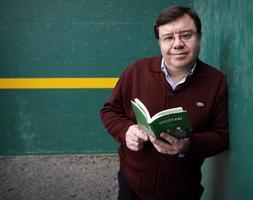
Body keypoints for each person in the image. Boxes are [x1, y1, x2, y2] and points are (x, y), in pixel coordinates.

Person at [100, 5, 228, 200]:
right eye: (168, 37)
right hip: (132, 185)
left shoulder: (216, 81)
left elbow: (221, 135)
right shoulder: (136, 71)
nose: (177, 44)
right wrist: (126, 130)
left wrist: (188, 145)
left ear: (199, 38)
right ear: (159, 42)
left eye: (186, 35)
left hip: (184, 189)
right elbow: (109, 111)